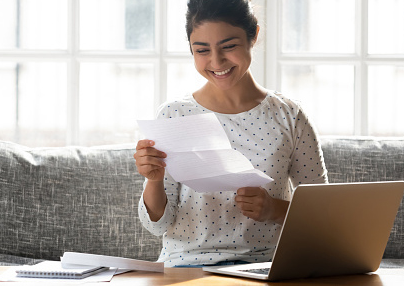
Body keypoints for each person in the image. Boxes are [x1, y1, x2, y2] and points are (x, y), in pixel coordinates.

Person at [134, 0, 328, 267]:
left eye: (229, 46)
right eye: (202, 50)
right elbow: (157, 226)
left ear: (254, 36)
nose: (216, 61)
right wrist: (154, 181)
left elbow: (326, 215)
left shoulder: (290, 116)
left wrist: (275, 209)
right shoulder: (174, 114)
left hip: (265, 266)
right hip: (187, 266)